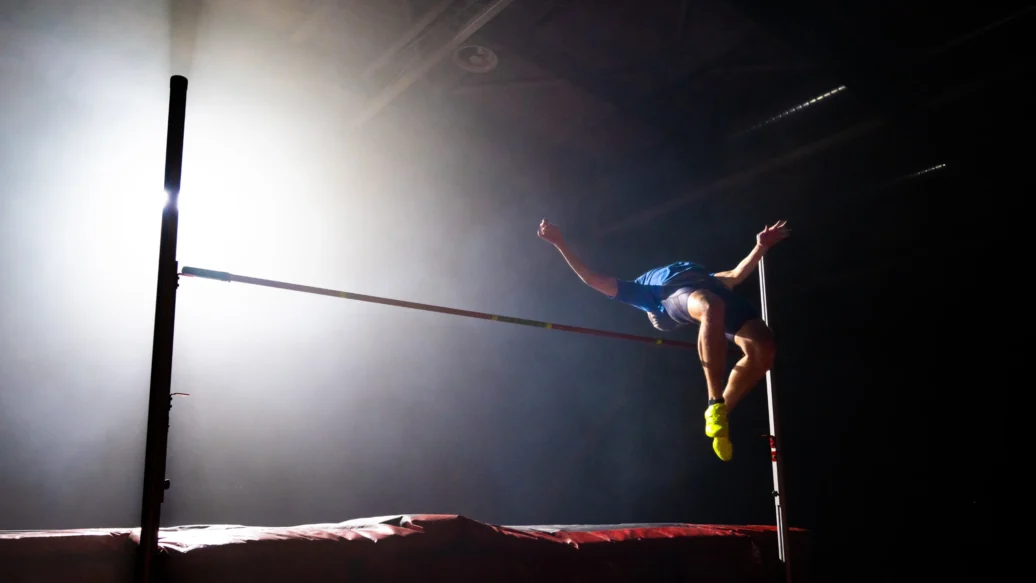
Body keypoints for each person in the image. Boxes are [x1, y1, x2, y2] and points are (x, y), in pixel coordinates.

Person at [537, 218, 790, 461]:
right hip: (680, 294)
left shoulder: (708, 277)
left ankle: (720, 416)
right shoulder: (645, 293)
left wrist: (760, 246)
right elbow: (592, 279)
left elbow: (735, 275)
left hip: (713, 291)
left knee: (764, 347)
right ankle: (715, 402)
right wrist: (559, 242)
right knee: (711, 305)